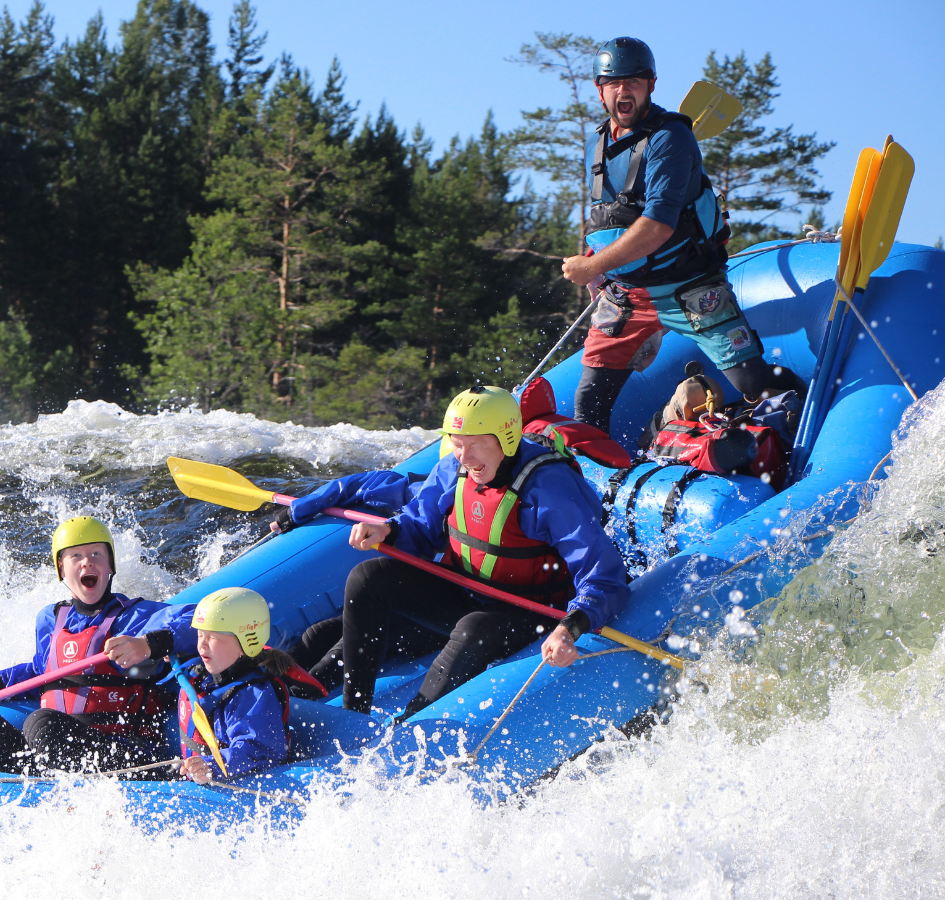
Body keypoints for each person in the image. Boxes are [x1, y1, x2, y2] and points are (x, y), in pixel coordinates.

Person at [295, 386, 631, 717]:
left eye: (476, 445)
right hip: (467, 592)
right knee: (366, 578)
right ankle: (354, 714)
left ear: (507, 438)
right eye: (457, 444)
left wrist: (569, 628)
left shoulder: (549, 487)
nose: (464, 457)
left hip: (530, 611)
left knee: (473, 628)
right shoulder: (453, 470)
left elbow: (604, 578)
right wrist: (390, 530)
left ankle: (407, 727)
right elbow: (420, 529)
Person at [560, 36, 804, 436]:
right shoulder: (596, 144)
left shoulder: (671, 137)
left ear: (651, 84)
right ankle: (594, 487)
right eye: (614, 82)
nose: (624, 90)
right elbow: (614, 215)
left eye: (635, 81)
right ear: (599, 89)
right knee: (590, 401)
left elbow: (658, 224)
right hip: (627, 294)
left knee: (753, 384)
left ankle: (809, 413)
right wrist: (597, 265)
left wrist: (591, 266)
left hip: (691, 285)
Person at [0, 516, 198, 775]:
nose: (87, 561)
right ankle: (24, 794)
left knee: (41, 724)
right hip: (56, 748)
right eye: (75, 555)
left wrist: (149, 645)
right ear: (61, 569)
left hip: (125, 753)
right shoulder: (50, 619)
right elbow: (40, 672)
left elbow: (202, 621)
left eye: (96, 553)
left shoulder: (135, 616)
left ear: (110, 564)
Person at [176, 588, 297, 784]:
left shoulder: (254, 696)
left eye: (213, 637)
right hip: (198, 773)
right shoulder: (207, 676)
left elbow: (256, 750)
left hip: (241, 784)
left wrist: (211, 766)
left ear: (245, 644)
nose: (202, 646)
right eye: (200, 635)